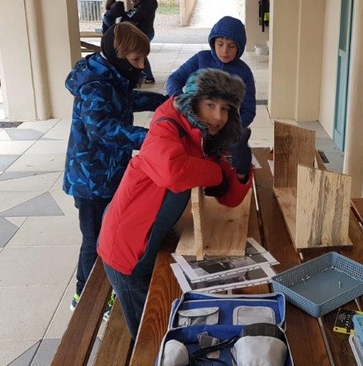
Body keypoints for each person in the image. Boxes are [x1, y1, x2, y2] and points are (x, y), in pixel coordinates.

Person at [98, 68, 254, 339]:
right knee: (150, 336)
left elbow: (229, 197)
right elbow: (173, 172)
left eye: (225, 108)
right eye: (210, 105)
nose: (218, 116)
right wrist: (218, 172)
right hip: (127, 253)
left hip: (151, 242)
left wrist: (240, 171)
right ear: (192, 102)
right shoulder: (166, 126)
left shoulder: (203, 135)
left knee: (167, 321)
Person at [62, 22, 167, 317]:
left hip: (110, 172)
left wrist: (162, 101)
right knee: (94, 240)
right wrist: (150, 138)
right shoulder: (95, 85)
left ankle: (107, 289)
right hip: (91, 179)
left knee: (113, 232)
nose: (141, 66)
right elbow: (102, 130)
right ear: (119, 57)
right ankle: (84, 297)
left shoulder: (112, 76)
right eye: (135, 60)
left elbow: (127, 100)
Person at [165, 16, 257, 128]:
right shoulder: (201, 59)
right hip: (192, 123)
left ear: (240, 48)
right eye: (220, 44)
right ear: (213, 42)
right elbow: (174, 79)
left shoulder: (244, 72)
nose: (225, 51)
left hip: (222, 127)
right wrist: (182, 102)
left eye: (231, 46)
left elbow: (249, 110)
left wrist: (230, 130)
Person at [126, 0, 158, 84]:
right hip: (149, 32)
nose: (132, 3)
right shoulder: (149, 2)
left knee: (140, 54)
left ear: (137, 0)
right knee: (140, 53)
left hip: (144, 33)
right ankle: (146, 75)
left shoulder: (143, 8)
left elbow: (133, 17)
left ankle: (149, 77)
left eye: (133, 1)